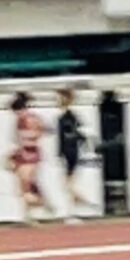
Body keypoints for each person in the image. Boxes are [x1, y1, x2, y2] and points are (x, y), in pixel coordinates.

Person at [7, 92, 56, 225]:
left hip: (31, 154)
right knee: (24, 185)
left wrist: (37, 133)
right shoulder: (20, 121)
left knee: (26, 183)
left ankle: (42, 204)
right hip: (24, 154)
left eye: (17, 112)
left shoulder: (32, 119)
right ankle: (28, 214)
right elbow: (17, 140)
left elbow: (46, 131)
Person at [54, 86, 96, 222]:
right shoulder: (66, 117)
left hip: (71, 153)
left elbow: (72, 136)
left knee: (67, 186)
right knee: (66, 186)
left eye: (59, 99)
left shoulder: (69, 117)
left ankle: (78, 206)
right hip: (69, 153)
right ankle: (73, 210)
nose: (57, 101)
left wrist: (63, 152)